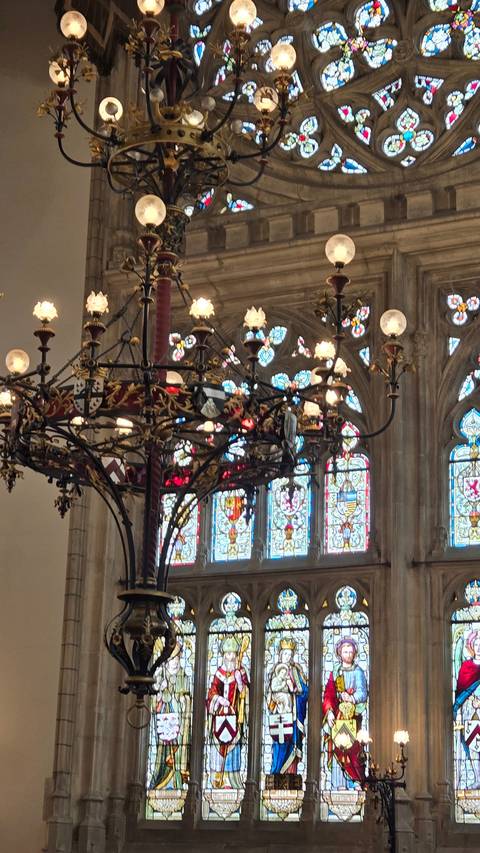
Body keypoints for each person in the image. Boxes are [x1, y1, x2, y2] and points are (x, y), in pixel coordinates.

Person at [322, 636, 367, 789]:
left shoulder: (358, 672)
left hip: (353, 717)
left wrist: (352, 698)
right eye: (345, 651)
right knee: (338, 748)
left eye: (350, 652)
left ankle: (357, 781)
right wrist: (329, 712)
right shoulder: (335, 672)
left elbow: (363, 694)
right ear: (339, 653)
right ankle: (339, 783)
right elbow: (328, 694)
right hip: (337, 716)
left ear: (354, 654)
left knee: (354, 750)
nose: (348, 654)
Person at [207, 635, 249, 789]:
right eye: (227, 654)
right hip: (219, 717)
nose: (230, 657)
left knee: (233, 746)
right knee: (218, 746)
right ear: (223, 655)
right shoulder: (219, 673)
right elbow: (211, 692)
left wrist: (239, 681)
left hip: (234, 717)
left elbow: (245, 694)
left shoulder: (240, 672)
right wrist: (218, 699)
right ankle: (218, 778)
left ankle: (232, 779)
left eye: (233, 654)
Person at [149, 641, 192, 791]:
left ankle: (177, 781)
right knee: (164, 753)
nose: (176, 662)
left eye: (178, 658)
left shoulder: (184, 677)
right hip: (164, 723)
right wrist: (160, 693)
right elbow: (154, 703)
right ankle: (162, 780)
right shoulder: (160, 675)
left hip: (179, 726)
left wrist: (182, 700)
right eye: (173, 659)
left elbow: (188, 700)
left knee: (178, 753)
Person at [267, 637, 308, 778]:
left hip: (294, 714)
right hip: (280, 714)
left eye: (290, 654)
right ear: (280, 654)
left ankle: (291, 773)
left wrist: (297, 690)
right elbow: (270, 692)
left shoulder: (296, 671)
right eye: (285, 654)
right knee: (279, 742)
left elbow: (305, 690)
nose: (287, 657)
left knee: (293, 742)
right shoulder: (275, 671)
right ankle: (276, 771)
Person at [454, 628, 480, 789]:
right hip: (470, 714)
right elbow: (460, 694)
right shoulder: (466, 667)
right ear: (471, 646)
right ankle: (477, 778)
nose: (479, 647)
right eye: (476, 644)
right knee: (472, 745)